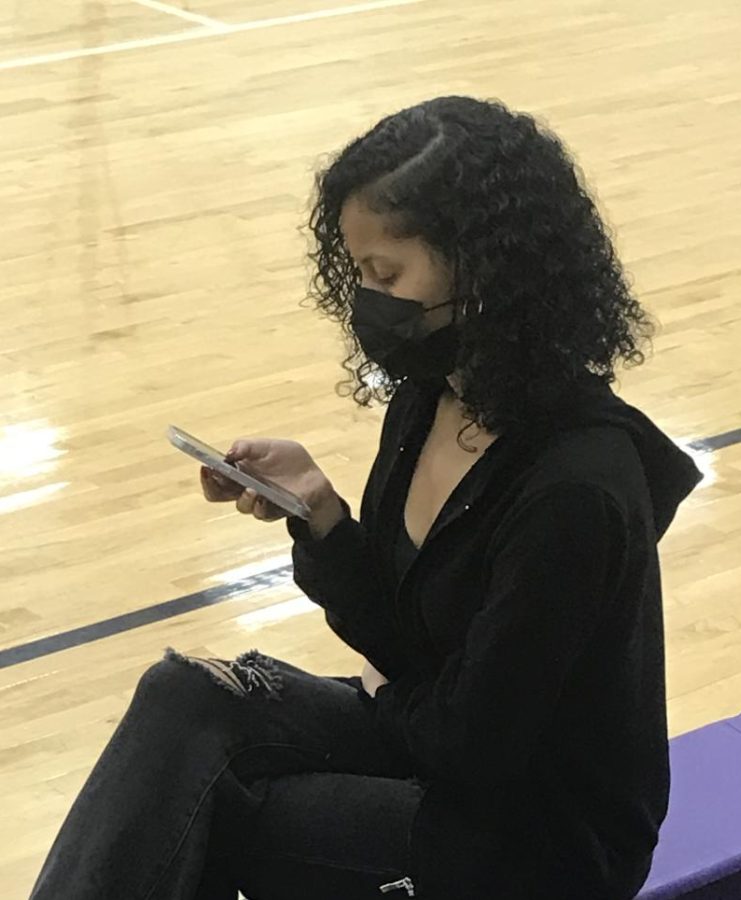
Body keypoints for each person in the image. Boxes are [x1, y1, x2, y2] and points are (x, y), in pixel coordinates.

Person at [29, 96, 703, 900]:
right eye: (358, 275)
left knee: (212, 801)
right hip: (443, 743)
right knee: (185, 699)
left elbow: (470, 746)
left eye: (387, 276)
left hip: (536, 839)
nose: (368, 302)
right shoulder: (427, 398)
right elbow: (408, 643)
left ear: (486, 268)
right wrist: (321, 516)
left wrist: (375, 698)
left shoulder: (576, 489)